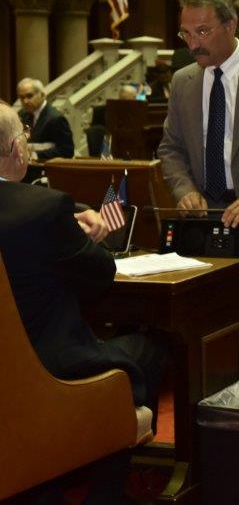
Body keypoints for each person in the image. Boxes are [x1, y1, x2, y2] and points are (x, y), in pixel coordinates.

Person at [0, 101, 164, 501]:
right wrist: (86, 236)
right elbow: (98, 277)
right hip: (46, 374)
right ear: (17, 150)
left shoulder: (43, 210)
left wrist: (73, 213)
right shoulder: (42, 211)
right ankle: (106, 492)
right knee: (148, 348)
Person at [157, 0, 239, 228]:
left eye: (202, 32)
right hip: (203, 215)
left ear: (230, 26)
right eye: (186, 34)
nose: (193, 44)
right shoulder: (183, 81)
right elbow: (171, 148)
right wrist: (184, 190)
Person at [17, 77, 75, 162]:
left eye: (29, 96)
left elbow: (67, 151)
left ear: (42, 94)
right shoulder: (22, 115)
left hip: (47, 169)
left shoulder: (56, 118)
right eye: (22, 97)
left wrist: (37, 154)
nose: (25, 101)